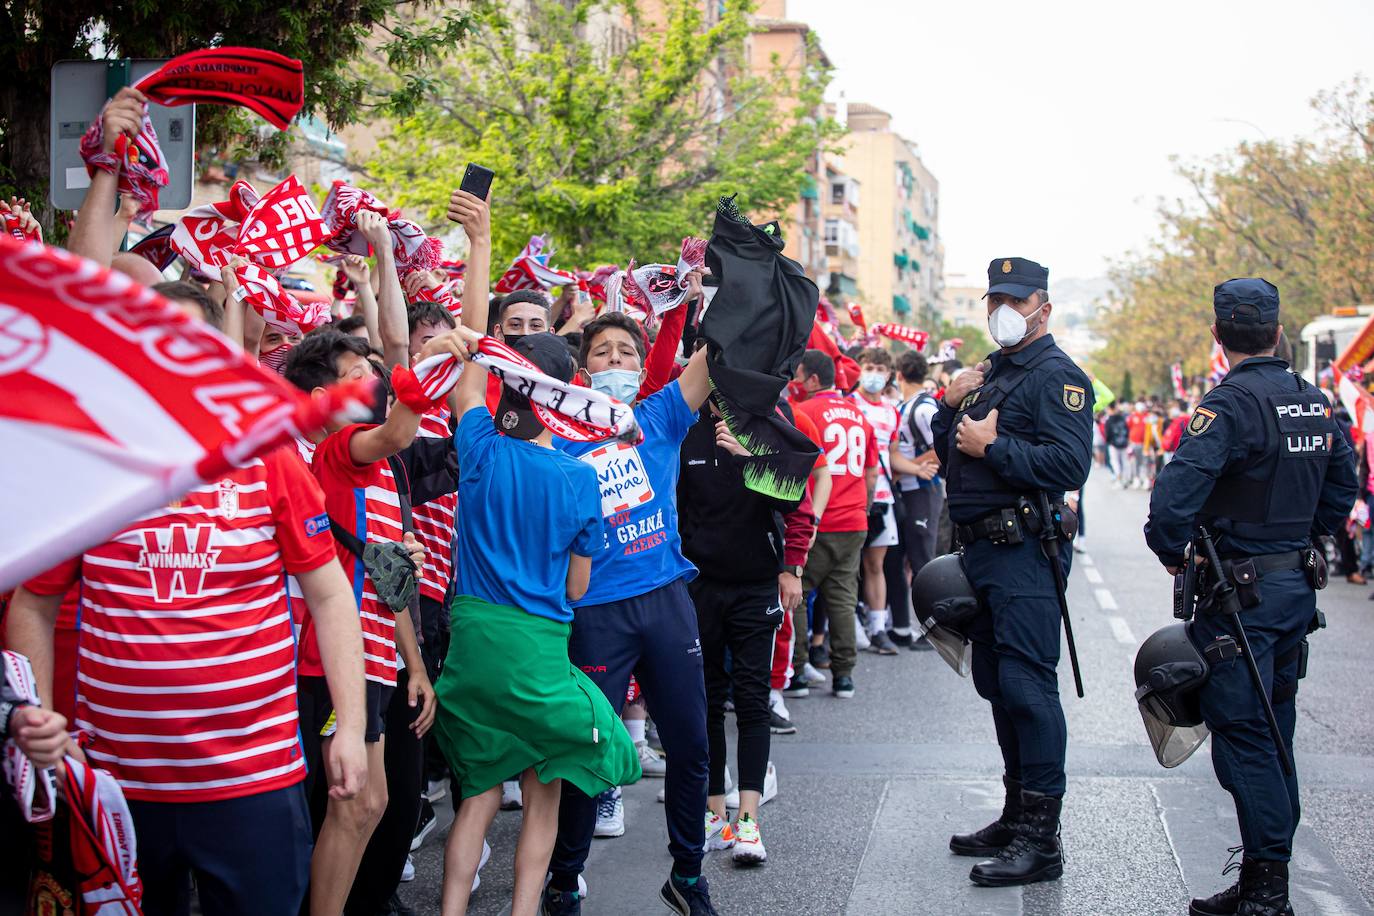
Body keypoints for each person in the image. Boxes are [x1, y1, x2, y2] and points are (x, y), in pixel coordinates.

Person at [6, 291, 371, 916]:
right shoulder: (94, 465)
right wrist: (34, 714)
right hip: (116, 783)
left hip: (253, 777)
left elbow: (332, 596)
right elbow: (34, 603)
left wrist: (353, 727)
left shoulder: (267, 460)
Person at [1145, 278, 1357, 916]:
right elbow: (1343, 486)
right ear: (1277, 332)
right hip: (1290, 587)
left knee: (1245, 736)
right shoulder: (1312, 400)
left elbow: (1172, 503)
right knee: (1276, 728)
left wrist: (1172, 550)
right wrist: (1303, 536)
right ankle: (1266, 878)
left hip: (1241, 595)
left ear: (1218, 335)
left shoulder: (1226, 406)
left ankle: (1268, 893)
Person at [432, 325, 639, 916]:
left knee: (476, 798)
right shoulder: (580, 478)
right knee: (542, 798)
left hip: (473, 647)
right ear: (567, 391)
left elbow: (468, 387)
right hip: (539, 650)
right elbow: (577, 587)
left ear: (505, 383)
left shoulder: (479, 445)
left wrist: (479, 329)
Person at [545, 288, 722, 916]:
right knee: (586, 752)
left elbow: (710, 356)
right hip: (595, 613)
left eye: (626, 351)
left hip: (667, 600)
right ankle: (564, 880)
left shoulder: (659, 416)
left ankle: (688, 875)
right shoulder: (556, 440)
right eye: (602, 352)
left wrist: (712, 289)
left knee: (691, 744)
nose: (615, 359)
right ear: (584, 369)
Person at [931, 257, 1093, 887]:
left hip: (1026, 549)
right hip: (983, 553)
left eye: (1014, 299)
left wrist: (993, 448)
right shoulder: (993, 371)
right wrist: (950, 408)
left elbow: (1069, 463)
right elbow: (951, 449)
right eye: (993, 297)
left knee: (1028, 689)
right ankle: (1014, 814)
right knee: (998, 686)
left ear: (1043, 309)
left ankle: (1040, 838)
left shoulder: (1057, 376)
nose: (1001, 308)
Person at [284, 329, 440, 916]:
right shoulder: (336, 452)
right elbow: (400, 428)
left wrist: (415, 665)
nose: (371, 381)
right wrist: (428, 367)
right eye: (358, 376)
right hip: (333, 659)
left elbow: (389, 577)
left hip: (376, 657)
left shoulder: (381, 475)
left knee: (371, 804)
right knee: (351, 803)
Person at [677, 397, 804, 866]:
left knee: (752, 700)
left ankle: (748, 819)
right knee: (706, 699)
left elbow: (795, 499)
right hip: (700, 584)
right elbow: (677, 509)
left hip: (756, 584)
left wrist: (752, 461)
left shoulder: (771, 418)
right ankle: (715, 814)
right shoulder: (686, 424)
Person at [790, 349, 879, 699]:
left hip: (817, 520)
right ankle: (844, 675)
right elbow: (871, 473)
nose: (794, 382)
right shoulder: (860, 416)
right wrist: (864, 507)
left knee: (796, 593)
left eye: (798, 375)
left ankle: (796, 671)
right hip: (854, 519)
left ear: (813, 380)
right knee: (843, 598)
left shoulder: (805, 412)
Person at [889, 349, 942, 649]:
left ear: (899, 375)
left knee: (923, 559)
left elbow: (939, 449)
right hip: (906, 488)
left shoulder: (923, 408)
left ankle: (935, 630)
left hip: (924, 488)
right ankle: (904, 623)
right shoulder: (904, 404)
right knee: (906, 558)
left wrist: (909, 467)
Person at [851, 348, 903, 654]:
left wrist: (919, 466)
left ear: (889, 375)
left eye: (880, 368)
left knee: (875, 565)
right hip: (852, 499)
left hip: (883, 499)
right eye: (869, 366)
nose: (874, 373)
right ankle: (844, 627)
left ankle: (878, 628)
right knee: (846, 568)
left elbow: (893, 456)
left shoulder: (891, 411)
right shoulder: (848, 405)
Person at [1104, 401, 1130, 486]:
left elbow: (1108, 433)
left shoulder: (1109, 420)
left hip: (1113, 444)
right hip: (1124, 442)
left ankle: (1119, 479)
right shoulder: (1122, 418)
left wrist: (1108, 442)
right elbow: (1127, 429)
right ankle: (1126, 479)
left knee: (1115, 462)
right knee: (1124, 461)